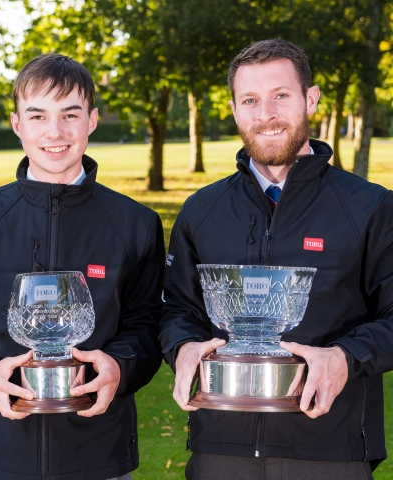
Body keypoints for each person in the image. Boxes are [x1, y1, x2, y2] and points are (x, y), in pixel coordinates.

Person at [0, 54, 165, 480]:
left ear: (92, 120)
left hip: (98, 453)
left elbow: (149, 320)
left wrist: (120, 367)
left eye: (71, 114)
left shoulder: (135, 223)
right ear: (17, 124)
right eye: (38, 115)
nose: (55, 132)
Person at [159, 38, 393, 480]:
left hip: (329, 445)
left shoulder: (370, 206)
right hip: (219, 446)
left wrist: (345, 356)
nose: (265, 114)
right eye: (250, 100)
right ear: (233, 108)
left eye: (280, 96)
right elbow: (176, 310)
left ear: (311, 99)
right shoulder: (200, 210)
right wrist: (183, 347)